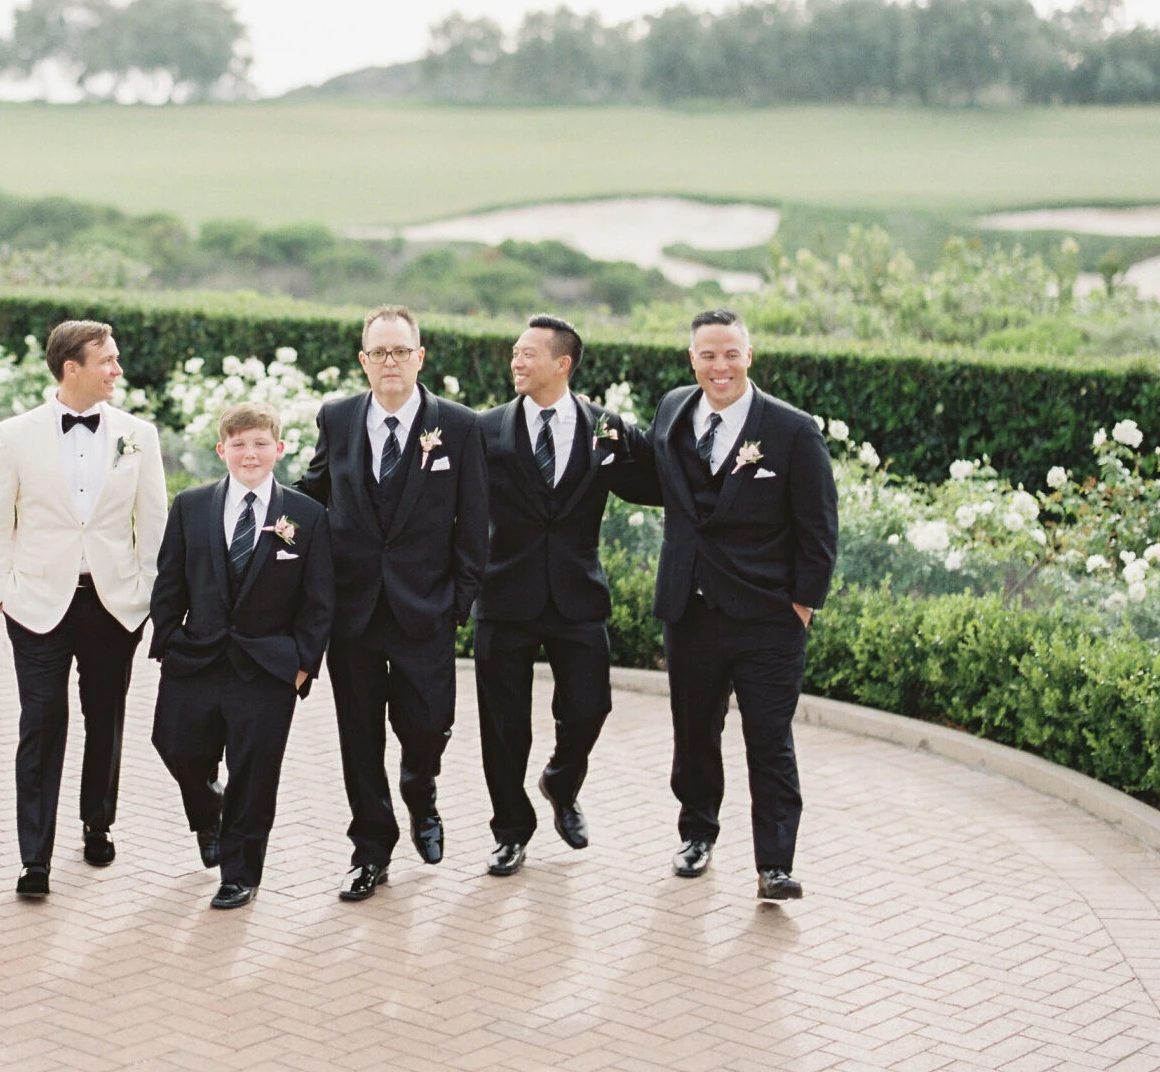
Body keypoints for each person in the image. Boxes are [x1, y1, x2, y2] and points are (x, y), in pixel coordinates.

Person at [640, 308, 838, 901]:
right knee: (694, 732)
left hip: (768, 620)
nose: (719, 365)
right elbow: (658, 480)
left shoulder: (793, 430)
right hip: (691, 611)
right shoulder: (674, 409)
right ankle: (697, 834)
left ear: (749, 356)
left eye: (730, 353)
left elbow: (819, 528)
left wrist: (801, 607)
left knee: (769, 740)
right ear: (692, 359)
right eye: (707, 355)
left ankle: (774, 864)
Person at [296, 304, 487, 902]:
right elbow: (313, 492)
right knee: (358, 738)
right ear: (363, 360)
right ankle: (370, 850)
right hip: (352, 611)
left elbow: (475, 521)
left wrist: (458, 600)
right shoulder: (338, 416)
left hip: (424, 609)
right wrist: (253, 498)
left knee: (428, 726)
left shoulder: (459, 426)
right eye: (378, 352)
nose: (389, 362)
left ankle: (421, 789)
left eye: (400, 351)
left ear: (419, 357)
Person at [0, 319, 167, 899]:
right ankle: (35, 858)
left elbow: (153, 522)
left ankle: (97, 822)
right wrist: (2, 592)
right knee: (41, 724)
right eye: (106, 360)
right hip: (35, 605)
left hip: (113, 603)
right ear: (71, 368)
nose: (117, 370)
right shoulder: (15, 434)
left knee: (104, 718)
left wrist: (144, 591)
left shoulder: (139, 434)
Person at [472, 315, 657, 877]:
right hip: (504, 594)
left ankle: (562, 780)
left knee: (589, 707)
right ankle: (510, 830)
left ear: (563, 364)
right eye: (514, 353)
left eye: (529, 354)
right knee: (504, 725)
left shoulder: (607, 428)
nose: (517, 363)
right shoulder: (487, 429)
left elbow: (650, 484)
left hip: (577, 595)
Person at [149, 402, 333, 909]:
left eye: (259, 443)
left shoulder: (307, 516)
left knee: (254, 774)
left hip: (268, 668)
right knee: (175, 745)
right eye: (238, 443)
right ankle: (209, 814)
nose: (249, 453)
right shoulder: (190, 505)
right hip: (197, 657)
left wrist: (302, 664)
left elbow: (319, 600)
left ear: (278, 448)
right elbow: (170, 580)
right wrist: (167, 640)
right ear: (221, 449)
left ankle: (240, 873)